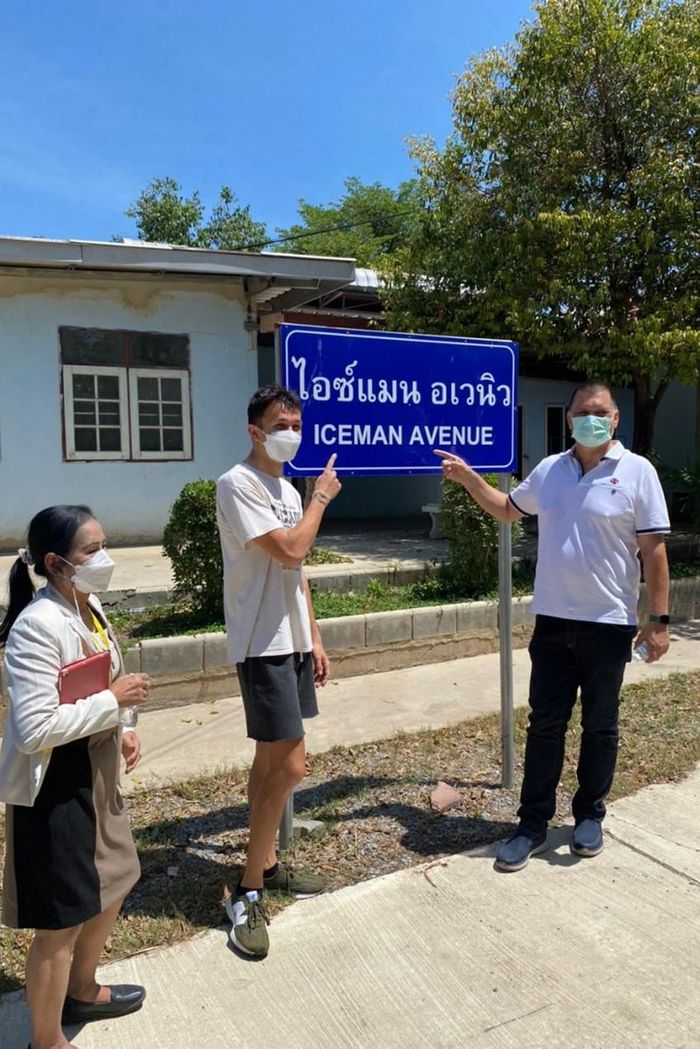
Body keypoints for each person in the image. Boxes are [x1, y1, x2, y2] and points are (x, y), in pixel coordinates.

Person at [435, 381, 670, 872]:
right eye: (583, 411)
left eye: (600, 412)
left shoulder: (637, 472)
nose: (591, 418)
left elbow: (654, 551)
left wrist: (659, 620)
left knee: (600, 726)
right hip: (554, 624)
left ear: (616, 418)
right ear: (569, 419)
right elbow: (506, 509)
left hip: (608, 624)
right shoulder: (550, 471)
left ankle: (589, 815)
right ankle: (532, 825)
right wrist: (469, 478)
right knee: (545, 726)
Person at [0, 505, 151, 1049]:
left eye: (104, 545)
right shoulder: (36, 627)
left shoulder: (90, 608)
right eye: (92, 550)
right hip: (56, 786)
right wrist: (111, 702)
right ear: (55, 562)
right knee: (60, 920)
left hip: (97, 769)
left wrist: (124, 723)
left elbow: (111, 680)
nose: (103, 558)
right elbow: (34, 728)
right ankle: (47, 1039)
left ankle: (82, 989)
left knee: (116, 878)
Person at [216, 384, 341, 958]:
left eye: (295, 421)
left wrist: (314, 634)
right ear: (254, 431)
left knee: (269, 760)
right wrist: (321, 499)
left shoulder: (287, 488)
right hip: (260, 641)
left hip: (289, 639)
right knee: (292, 764)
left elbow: (299, 571)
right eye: (279, 422)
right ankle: (245, 890)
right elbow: (289, 549)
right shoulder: (238, 484)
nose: (290, 430)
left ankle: (265, 861)